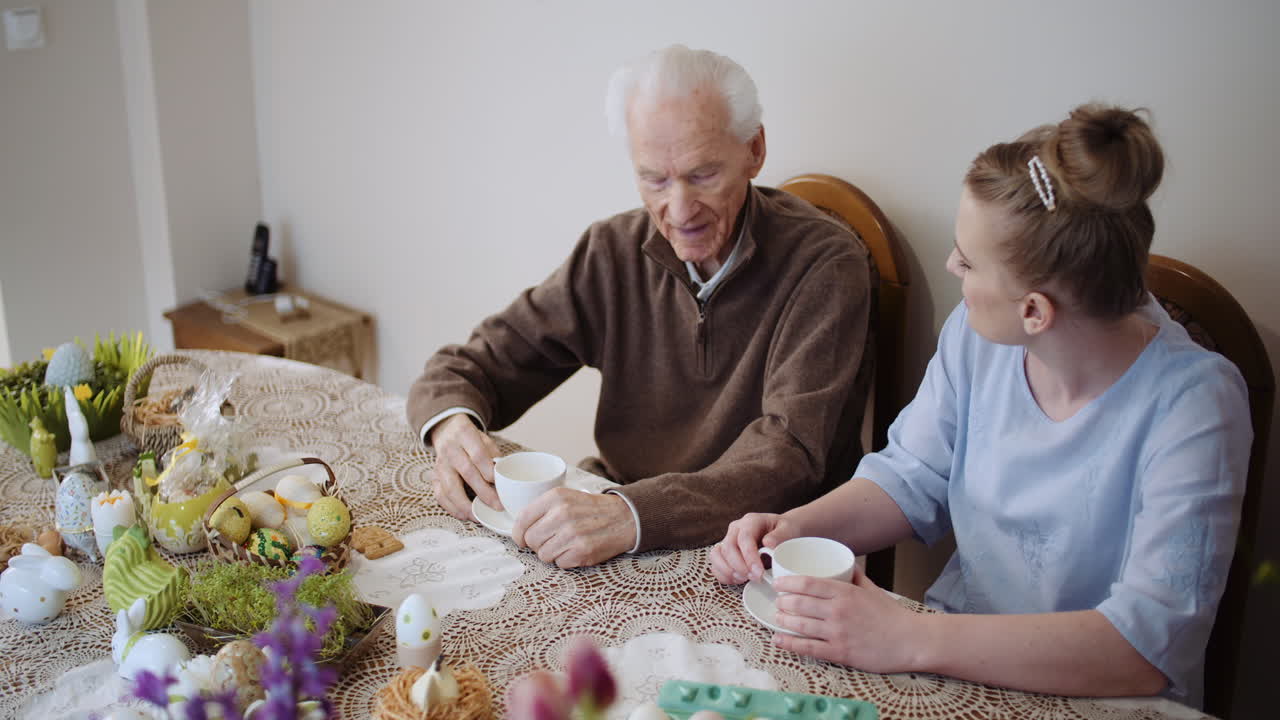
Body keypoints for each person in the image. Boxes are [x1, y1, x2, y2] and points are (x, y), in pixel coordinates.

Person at [710, 104, 1250, 708]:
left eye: (966, 262)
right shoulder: (979, 335)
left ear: (1035, 312)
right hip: (947, 665)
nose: (950, 267)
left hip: (1102, 698)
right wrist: (799, 528)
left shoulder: (1197, 405)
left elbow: (1143, 649)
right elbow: (911, 476)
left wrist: (909, 636)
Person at [407, 45, 874, 569]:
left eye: (702, 175)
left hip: (760, 555)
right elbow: (470, 366)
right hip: (615, 522)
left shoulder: (826, 263)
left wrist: (631, 515)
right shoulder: (612, 250)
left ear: (754, 150)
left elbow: (788, 456)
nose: (678, 210)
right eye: (654, 178)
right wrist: (452, 430)